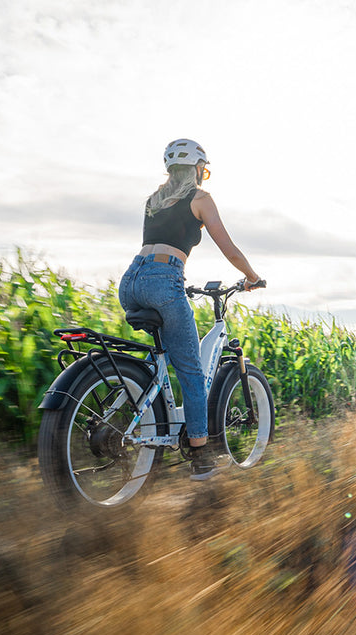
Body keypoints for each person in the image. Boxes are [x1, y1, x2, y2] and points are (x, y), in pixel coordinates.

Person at [119, 139, 262, 481]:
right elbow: (227, 247)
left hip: (130, 282)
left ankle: (158, 415)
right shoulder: (201, 198)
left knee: (165, 358)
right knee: (193, 374)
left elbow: (157, 243)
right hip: (163, 280)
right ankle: (201, 457)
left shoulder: (154, 199)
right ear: (199, 169)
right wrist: (252, 277)